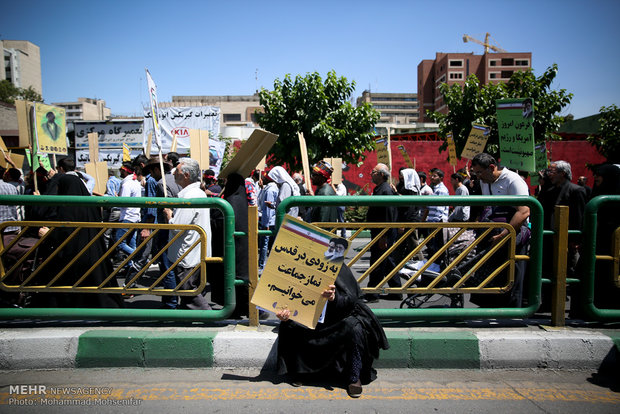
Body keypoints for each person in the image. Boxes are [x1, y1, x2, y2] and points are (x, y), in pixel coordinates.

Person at [276, 264, 389, 398]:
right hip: (308, 318)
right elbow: (283, 297)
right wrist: (283, 313)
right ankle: (300, 372)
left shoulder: (337, 266)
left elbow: (351, 300)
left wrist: (333, 299)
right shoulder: (294, 265)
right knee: (290, 325)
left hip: (339, 317)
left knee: (354, 326)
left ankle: (354, 376)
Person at [470, 153, 530, 307]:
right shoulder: (485, 182)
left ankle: (512, 310)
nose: (478, 177)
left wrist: (504, 235)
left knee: (512, 273)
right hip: (493, 232)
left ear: (491, 167)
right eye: (475, 173)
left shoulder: (513, 181)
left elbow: (524, 211)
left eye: (479, 173)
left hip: (512, 234)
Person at [163, 158, 211, 310]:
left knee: (188, 290)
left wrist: (169, 215)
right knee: (189, 290)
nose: (174, 174)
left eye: (176, 172)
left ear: (186, 175)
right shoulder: (197, 193)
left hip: (188, 252)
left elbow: (178, 227)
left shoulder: (190, 196)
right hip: (194, 250)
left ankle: (209, 317)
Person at [143, 156, 182, 309]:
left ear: (157, 169)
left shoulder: (161, 184)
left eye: (152, 171)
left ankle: (171, 302)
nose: (151, 175)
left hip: (167, 228)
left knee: (167, 267)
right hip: (179, 227)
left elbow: (163, 209)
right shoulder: (174, 180)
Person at [364, 163, 402, 302]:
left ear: (381, 174)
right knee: (388, 260)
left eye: (373, 172)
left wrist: (384, 236)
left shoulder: (385, 190)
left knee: (377, 262)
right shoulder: (381, 188)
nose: (370, 174)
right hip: (382, 231)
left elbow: (388, 214)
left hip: (383, 232)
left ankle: (372, 293)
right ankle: (396, 289)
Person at [115, 161, 142, 282]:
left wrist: (116, 199)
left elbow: (123, 202)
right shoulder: (135, 183)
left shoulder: (127, 185)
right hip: (135, 217)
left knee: (120, 242)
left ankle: (141, 259)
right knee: (131, 244)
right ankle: (133, 268)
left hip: (127, 217)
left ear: (125, 170)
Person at [258, 171, 278, 271]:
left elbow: (268, 208)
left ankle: (262, 265)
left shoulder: (270, 190)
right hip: (270, 221)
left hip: (268, 221)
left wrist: (266, 224)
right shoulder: (269, 188)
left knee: (264, 244)